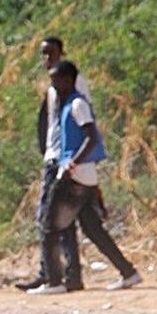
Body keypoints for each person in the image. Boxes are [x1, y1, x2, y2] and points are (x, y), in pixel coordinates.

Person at [30, 61, 140, 295]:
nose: (54, 85)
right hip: (85, 177)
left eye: (57, 80)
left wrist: (74, 161)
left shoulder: (78, 103)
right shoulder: (67, 104)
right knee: (93, 229)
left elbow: (91, 137)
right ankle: (128, 273)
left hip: (75, 175)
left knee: (49, 226)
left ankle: (54, 282)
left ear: (69, 79)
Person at [18, 37, 90, 292]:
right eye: (43, 54)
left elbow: (82, 124)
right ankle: (56, 274)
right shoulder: (52, 87)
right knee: (62, 221)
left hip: (65, 161)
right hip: (54, 157)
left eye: (51, 53)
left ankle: (57, 277)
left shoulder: (74, 84)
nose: (46, 58)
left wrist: (71, 160)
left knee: (51, 219)